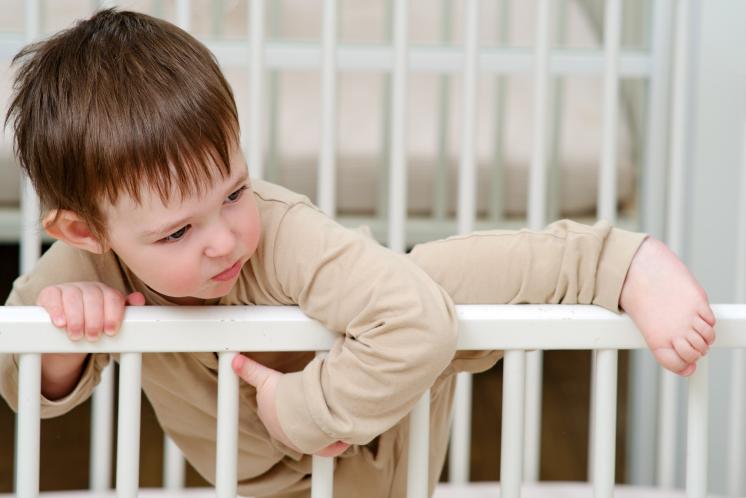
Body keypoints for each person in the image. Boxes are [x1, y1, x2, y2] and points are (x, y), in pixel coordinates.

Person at [0, 9, 715, 498]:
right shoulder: (83, 264)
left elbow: (418, 326)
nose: (224, 238)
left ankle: (611, 261)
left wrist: (304, 408)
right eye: (178, 233)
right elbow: (20, 383)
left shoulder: (276, 233)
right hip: (265, 485)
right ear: (84, 231)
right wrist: (68, 335)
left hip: (376, 452)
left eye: (234, 190)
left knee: (430, 286)